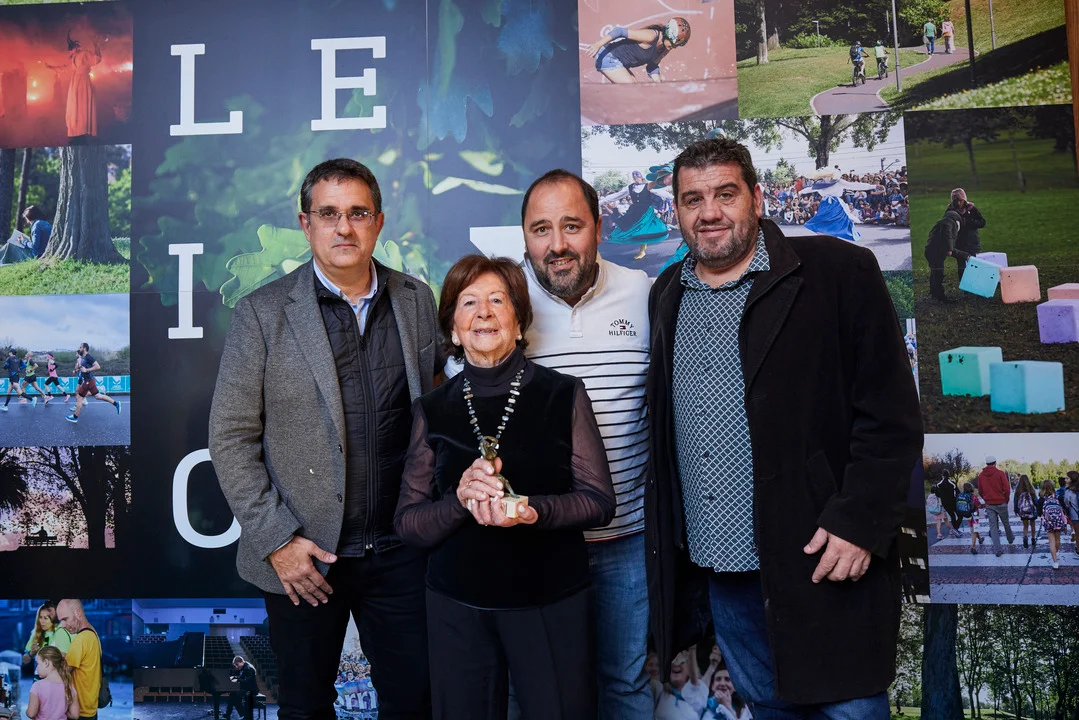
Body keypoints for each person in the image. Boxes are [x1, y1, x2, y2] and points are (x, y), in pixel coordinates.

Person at [645, 137, 922, 717]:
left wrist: (860, 522)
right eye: (693, 199)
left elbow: (892, 415)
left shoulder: (838, 271)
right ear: (677, 210)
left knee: (850, 710)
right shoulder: (667, 294)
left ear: (757, 197)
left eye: (725, 194)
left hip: (823, 558)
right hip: (725, 573)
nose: (710, 212)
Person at [209, 158, 440, 720]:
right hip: (305, 560)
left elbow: (437, 413)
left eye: (358, 213)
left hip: (401, 552)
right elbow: (230, 436)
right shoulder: (262, 313)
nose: (344, 228)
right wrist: (278, 541)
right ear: (305, 223)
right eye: (329, 213)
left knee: (416, 703)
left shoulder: (416, 300)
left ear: (378, 221)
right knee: (306, 708)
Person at [394, 254, 615, 720]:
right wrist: (460, 500)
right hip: (456, 606)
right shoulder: (432, 409)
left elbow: (599, 502)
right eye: (469, 302)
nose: (484, 313)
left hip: (551, 600)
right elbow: (409, 523)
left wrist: (533, 510)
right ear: (454, 330)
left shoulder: (563, 394)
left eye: (498, 300)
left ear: (518, 322)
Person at [519, 169, 654, 718]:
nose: (557, 244)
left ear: (599, 227)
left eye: (572, 226)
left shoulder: (644, 293)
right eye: (541, 229)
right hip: (537, 542)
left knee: (624, 683)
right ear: (524, 237)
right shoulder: (500, 304)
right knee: (538, 689)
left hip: (627, 541)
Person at [586, 18, 691, 84]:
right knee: (633, 89)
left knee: (637, 89)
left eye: (677, 45)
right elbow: (619, 31)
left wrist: (658, 82)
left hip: (620, 62)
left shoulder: (665, 47)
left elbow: (652, 66)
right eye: (673, 43)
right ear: (667, 35)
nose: (674, 47)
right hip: (608, 56)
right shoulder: (651, 36)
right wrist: (598, 44)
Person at [600, 170, 671, 260]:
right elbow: (617, 195)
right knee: (629, 228)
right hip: (634, 211)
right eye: (634, 177)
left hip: (646, 211)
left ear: (641, 177)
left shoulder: (648, 185)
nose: (636, 179)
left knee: (643, 230)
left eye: (637, 177)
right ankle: (641, 249)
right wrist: (602, 201)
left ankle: (642, 251)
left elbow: (661, 192)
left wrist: (674, 197)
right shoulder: (630, 187)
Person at [56, 600, 101, 720]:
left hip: (78, 711)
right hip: (91, 709)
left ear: (78, 613)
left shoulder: (80, 639)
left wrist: (52, 659)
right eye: (61, 621)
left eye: (65, 619)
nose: (63, 625)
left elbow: (62, 673)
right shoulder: (93, 633)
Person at [65, 343, 121, 423]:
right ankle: (116, 403)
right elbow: (80, 368)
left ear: (84, 348)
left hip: (88, 381)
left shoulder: (88, 357)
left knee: (79, 397)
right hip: (88, 381)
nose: (79, 349)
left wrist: (87, 370)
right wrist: (78, 366)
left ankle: (75, 417)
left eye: (80, 347)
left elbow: (98, 366)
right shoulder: (83, 358)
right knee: (98, 396)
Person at [65, 32, 102, 143]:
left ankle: (84, 129)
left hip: (83, 83)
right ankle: (76, 130)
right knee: (74, 107)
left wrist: (96, 46)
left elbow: (96, 59)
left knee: (82, 106)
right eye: (74, 47)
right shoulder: (73, 59)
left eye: (77, 46)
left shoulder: (84, 54)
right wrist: (53, 68)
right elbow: (66, 68)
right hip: (75, 84)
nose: (76, 48)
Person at [26, 646, 80, 720]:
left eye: (38, 663)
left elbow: (31, 714)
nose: (37, 668)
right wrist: (61, 711)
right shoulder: (69, 686)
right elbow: (75, 715)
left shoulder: (38, 686)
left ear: (46, 663)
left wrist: (27, 711)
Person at [924, 207, 965, 302]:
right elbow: (948, 238)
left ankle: (934, 294)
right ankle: (940, 297)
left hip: (930, 251)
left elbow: (948, 247)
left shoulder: (940, 226)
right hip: (935, 253)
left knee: (935, 273)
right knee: (938, 274)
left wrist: (964, 255)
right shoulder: (948, 223)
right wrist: (950, 248)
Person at [655, 649, 709, 720]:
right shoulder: (658, 690)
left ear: (690, 668)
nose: (676, 664)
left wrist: (692, 650)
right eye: (672, 660)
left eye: (682, 661)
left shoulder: (699, 696)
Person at [977, 455, 1014, 557]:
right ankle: (1010, 539)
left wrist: (986, 499)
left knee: (993, 527)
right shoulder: (1000, 473)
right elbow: (1007, 489)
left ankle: (998, 549)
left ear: (986, 464)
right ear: (995, 463)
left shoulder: (981, 476)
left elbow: (980, 490)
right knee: (1006, 522)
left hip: (989, 504)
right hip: (1001, 502)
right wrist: (1006, 499)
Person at [949, 188, 985, 282]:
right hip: (959, 243)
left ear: (964, 200)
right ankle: (964, 284)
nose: (958, 203)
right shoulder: (950, 211)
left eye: (960, 200)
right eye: (956, 201)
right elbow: (947, 225)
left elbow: (982, 222)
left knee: (973, 264)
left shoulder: (972, 209)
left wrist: (968, 222)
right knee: (961, 266)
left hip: (971, 242)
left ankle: (973, 283)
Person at [23, 603, 73, 667]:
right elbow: (24, 661)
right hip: (39, 673)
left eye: (45, 618)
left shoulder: (62, 632)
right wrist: (31, 653)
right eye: (40, 617)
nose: (42, 621)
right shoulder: (35, 634)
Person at [1038, 479, 1069, 569]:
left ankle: (1055, 562)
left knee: (1051, 542)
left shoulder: (1041, 499)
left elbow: (1039, 513)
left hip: (1048, 523)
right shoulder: (1058, 497)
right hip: (1058, 522)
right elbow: (1065, 509)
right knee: (1057, 539)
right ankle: (1057, 551)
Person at [225, 656, 258, 720]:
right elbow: (242, 677)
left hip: (251, 690)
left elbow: (248, 681)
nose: (237, 667)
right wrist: (234, 677)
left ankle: (244, 715)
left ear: (241, 662)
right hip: (247, 688)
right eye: (235, 665)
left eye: (237, 664)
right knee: (232, 695)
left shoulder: (248, 668)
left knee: (233, 697)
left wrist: (237, 680)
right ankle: (230, 714)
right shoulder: (244, 667)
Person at [1013, 474, 1038, 548]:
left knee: (1025, 526)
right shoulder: (1031, 490)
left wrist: (1016, 510)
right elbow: (1036, 500)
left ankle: (1025, 537)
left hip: (1023, 511)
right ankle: (1033, 539)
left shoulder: (1018, 491)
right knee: (1032, 525)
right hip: (1031, 511)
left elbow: (1015, 501)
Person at [967, 484, 986, 554]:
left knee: (974, 528)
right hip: (975, 515)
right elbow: (979, 505)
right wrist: (984, 505)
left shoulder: (963, 496)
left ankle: (980, 539)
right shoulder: (973, 496)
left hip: (967, 515)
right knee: (974, 530)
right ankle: (973, 547)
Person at [1064, 471, 1079, 554]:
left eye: (1067, 478)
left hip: (1075, 515)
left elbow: (1066, 504)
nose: (1065, 480)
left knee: (1077, 534)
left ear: (1072, 479)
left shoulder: (1068, 491)